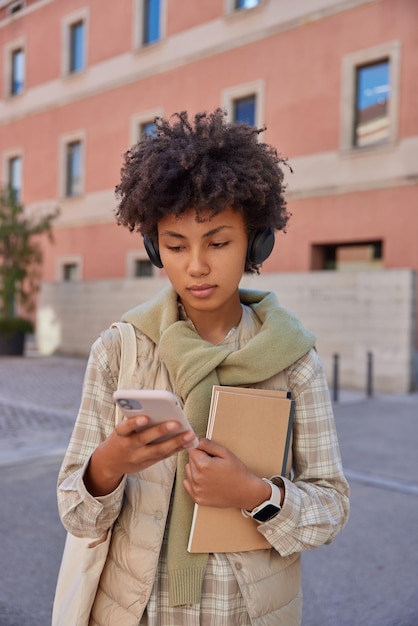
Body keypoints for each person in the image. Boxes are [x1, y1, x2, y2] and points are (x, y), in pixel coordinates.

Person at [57, 109, 349, 625]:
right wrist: (108, 465)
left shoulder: (295, 363)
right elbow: (76, 514)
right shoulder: (119, 351)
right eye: (175, 246)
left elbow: (331, 508)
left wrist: (255, 495)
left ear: (256, 243)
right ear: (154, 248)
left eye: (218, 242)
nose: (196, 265)